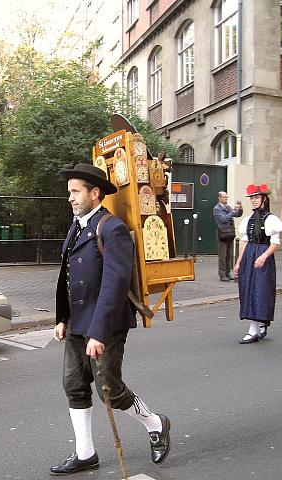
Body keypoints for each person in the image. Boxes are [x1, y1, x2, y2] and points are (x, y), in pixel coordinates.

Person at [50, 163, 171, 476]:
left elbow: (115, 283)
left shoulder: (111, 228)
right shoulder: (77, 226)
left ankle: (156, 424)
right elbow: (68, 275)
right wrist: (62, 317)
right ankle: (85, 453)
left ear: (94, 193)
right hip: (77, 322)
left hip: (106, 325)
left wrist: (99, 333)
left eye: (75, 192)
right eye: (69, 193)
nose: (71, 198)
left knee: (111, 390)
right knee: (74, 386)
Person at [233, 183, 282, 344]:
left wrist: (264, 256)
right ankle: (258, 324)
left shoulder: (271, 219)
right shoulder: (247, 220)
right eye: (252, 198)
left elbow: (275, 243)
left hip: (263, 258)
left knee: (260, 290)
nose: (254, 201)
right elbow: (244, 242)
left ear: (264, 199)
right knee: (248, 290)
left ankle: (255, 328)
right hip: (249, 257)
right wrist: (238, 262)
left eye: (256, 198)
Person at [213, 191, 243, 282]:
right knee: (223, 255)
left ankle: (227, 273)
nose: (226, 199)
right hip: (222, 233)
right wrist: (233, 212)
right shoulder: (217, 209)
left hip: (230, 233)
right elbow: (223, 219)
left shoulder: (228, 207)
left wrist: (239, 208)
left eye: (227, 197)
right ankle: (222, 274)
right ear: (220, 198)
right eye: (224, 197)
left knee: (229, 255)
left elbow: (237, 214)